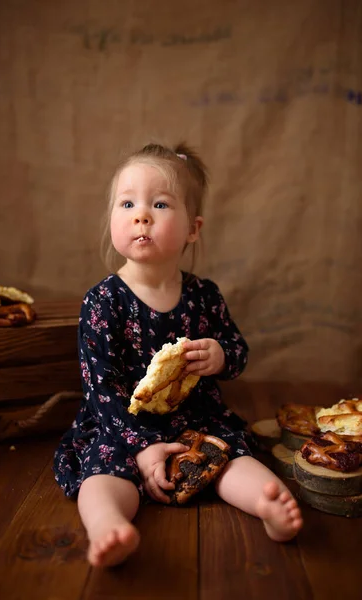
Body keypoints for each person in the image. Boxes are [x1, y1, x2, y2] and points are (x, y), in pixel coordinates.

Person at [54, 142, 303, 568]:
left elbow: (239, 351)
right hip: (123, 424)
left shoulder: (203, 296)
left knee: (229, 456)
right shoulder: (103, 302)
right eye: (127, 202)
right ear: (113, 217)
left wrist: (222, 356)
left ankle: (268, 505)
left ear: (193, 227)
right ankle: (108, 526)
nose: (141, 214)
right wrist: (144, 446)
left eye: (161, 204)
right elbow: (100, 388)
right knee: (104, 472)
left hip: (198, 417)